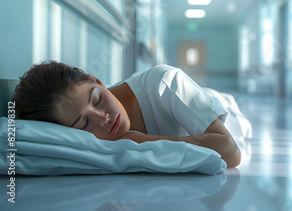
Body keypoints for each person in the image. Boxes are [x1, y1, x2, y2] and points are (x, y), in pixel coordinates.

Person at [12, 61, 242, 168]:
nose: (103, 118)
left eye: (97, 99)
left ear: (98, 81)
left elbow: (230, 154)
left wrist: (137, 140)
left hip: (225, 112)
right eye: (83, 124)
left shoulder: (166, 82)